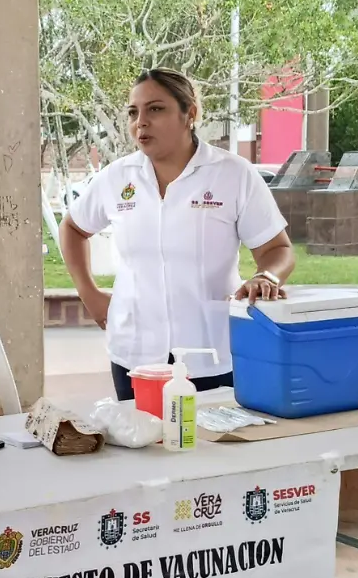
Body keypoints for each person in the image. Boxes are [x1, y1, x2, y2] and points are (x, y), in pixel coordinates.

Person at [59, 68, 295, 399]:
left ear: (190, 114)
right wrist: (89, 293)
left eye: (155, 109)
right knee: (142, 445)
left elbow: (277, 248)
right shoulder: (117, 178)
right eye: (133, 112)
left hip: (212, 350)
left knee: (215, 446)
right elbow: (72, 227)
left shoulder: (233, 174)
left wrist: (267, 277)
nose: (141, 121)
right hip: (134, 352)